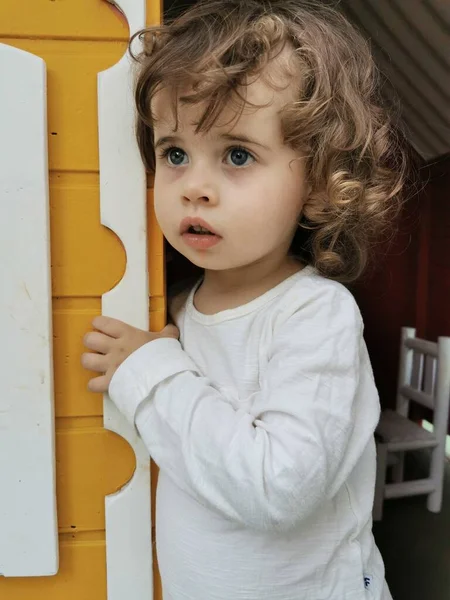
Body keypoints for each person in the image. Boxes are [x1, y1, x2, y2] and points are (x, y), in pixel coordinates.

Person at [81, 1, 409, 598]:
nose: (195, 189)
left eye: (237, 155)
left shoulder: (316, 316)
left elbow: (278, 486)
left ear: (316, 185)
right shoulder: (176, 309)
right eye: (174, 153)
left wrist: (150, 374)